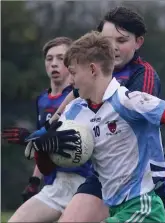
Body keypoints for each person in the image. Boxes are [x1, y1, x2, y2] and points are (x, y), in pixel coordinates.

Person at [27, 31, 165, 223]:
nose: (71, 81)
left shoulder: (128, 101)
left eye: (73, 73)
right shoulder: (74, 112)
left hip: (143, 208)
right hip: (115, 209)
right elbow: (46, 166)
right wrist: (43, 150)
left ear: (93, 70)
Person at [7, 37, 92, 223]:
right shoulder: (42, 100)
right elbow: (42, 142)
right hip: (55, 184)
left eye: (61, 58)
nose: (54, 64)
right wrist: (34, 181)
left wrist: (33, 139)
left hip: (85, 183)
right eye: (49, 58)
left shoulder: (84, 98)